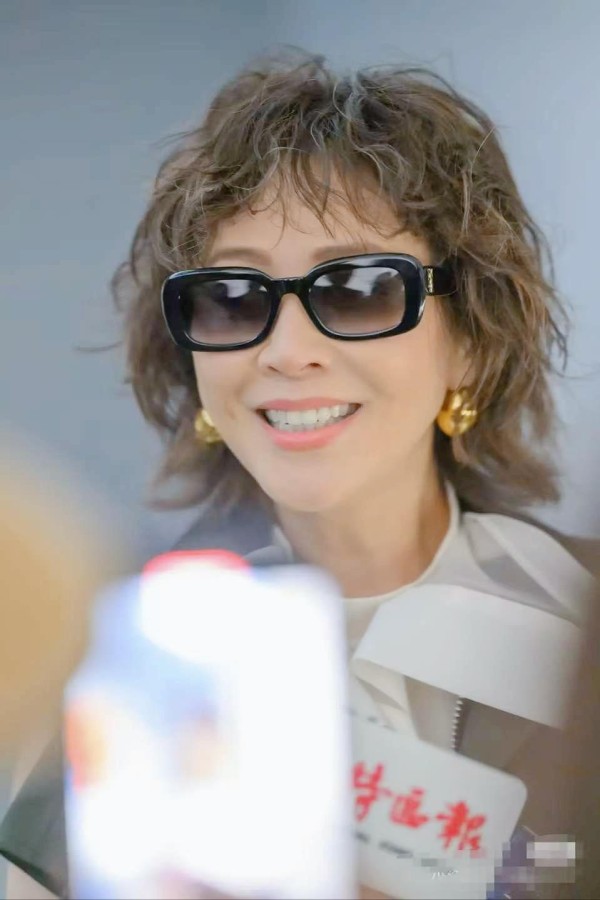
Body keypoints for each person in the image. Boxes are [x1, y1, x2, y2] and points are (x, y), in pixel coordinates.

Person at [2, 48, 598, 900]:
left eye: (356, 288)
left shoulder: (580, 624)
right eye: (233, 297)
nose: (286, 352)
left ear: (471, 340)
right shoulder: (112, 677)